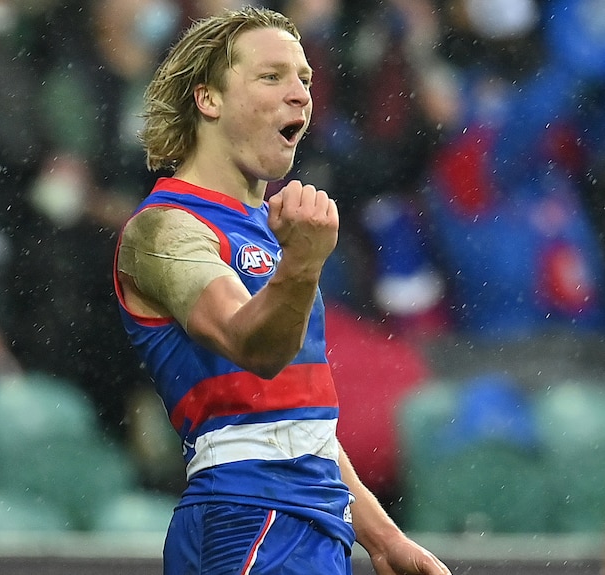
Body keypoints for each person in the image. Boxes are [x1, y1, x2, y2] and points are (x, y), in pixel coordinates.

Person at [113, 7, 452, 574]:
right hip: (251, 515)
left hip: (307, 516)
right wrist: (304, 262)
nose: (300, 95)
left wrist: (384, 538)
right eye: (272, 77)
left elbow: (295, 422)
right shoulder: (167, 226)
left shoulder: (269, 233)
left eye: (304, 79)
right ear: (208, 99)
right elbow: (255, 350)